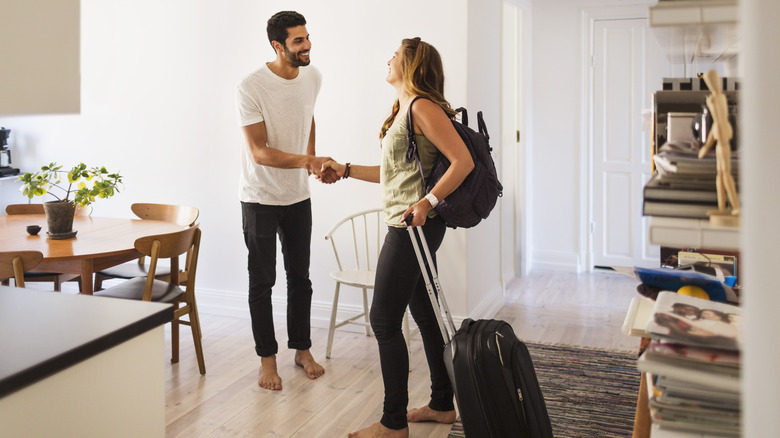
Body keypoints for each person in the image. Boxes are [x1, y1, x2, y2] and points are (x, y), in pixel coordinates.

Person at [320, 38, 474, 438]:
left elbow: (463, 162)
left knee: (383, 320)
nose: (388, 59)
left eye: (395, 55)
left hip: (412, 226)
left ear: (411, 63)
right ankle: (442, 405)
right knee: (424, 315)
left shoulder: (422, 106)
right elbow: (394, 175)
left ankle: (393, 424)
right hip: (411, 223)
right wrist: (347, 169)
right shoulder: (405, 109)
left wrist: (427, 202)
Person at [236, 10, 335, 391]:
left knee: (301, 279)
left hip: (297, 196)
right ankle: (267, 359)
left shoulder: (313, 76)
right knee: (262, 282)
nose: (307, 45)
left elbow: (307, 116)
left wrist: (310, 162)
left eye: (307, 37)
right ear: (278, 46)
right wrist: (307, 160)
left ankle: (302, 349)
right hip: (259, 197)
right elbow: (259, 152)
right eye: (298, 40)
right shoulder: (250, 87)